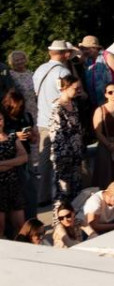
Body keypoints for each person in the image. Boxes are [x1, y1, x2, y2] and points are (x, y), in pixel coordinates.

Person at [33, 40, 73, 206]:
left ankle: (42, 196)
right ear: (65, 54)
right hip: (58, 121)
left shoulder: (39, 69)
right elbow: (67, 95)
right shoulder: (63, 71)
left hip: (42, 119)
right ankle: (62, 193)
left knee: (44, 161)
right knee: (62, 159)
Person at [48, 74, 84, 208]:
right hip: (63, 156)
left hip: (75, 153)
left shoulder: (73, 104)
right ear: (65, 88)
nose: (78, 90)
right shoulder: (57, 107)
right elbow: (57, 135)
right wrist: (67, 153)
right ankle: (59, 221)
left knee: (76, 189)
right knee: (62, 191)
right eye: (76, 88)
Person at [0, 107, 28, 236]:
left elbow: (24, 157)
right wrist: (14, 162)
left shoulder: (11, 137)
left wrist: (4, 163)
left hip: (13, 186)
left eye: (0, 119)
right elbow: (18, 159)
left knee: (20, 227)